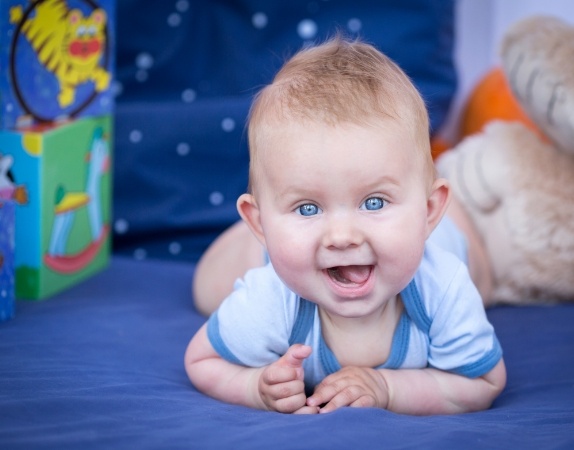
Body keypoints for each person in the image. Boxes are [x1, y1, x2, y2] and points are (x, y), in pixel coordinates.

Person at [184, 37, 506, 415]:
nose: (342, 237)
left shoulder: (444, 288)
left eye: (373, 202)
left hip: (447, 237)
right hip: (278, 251)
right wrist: (255, 387)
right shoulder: (270, 301)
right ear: (258, 222)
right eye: (307, 207)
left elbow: (483, 382)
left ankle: (452, 211)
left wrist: (386, 388)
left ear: (429, 209)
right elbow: (202, 361)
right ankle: (262, 236)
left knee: (486, 279)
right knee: (207, 288)